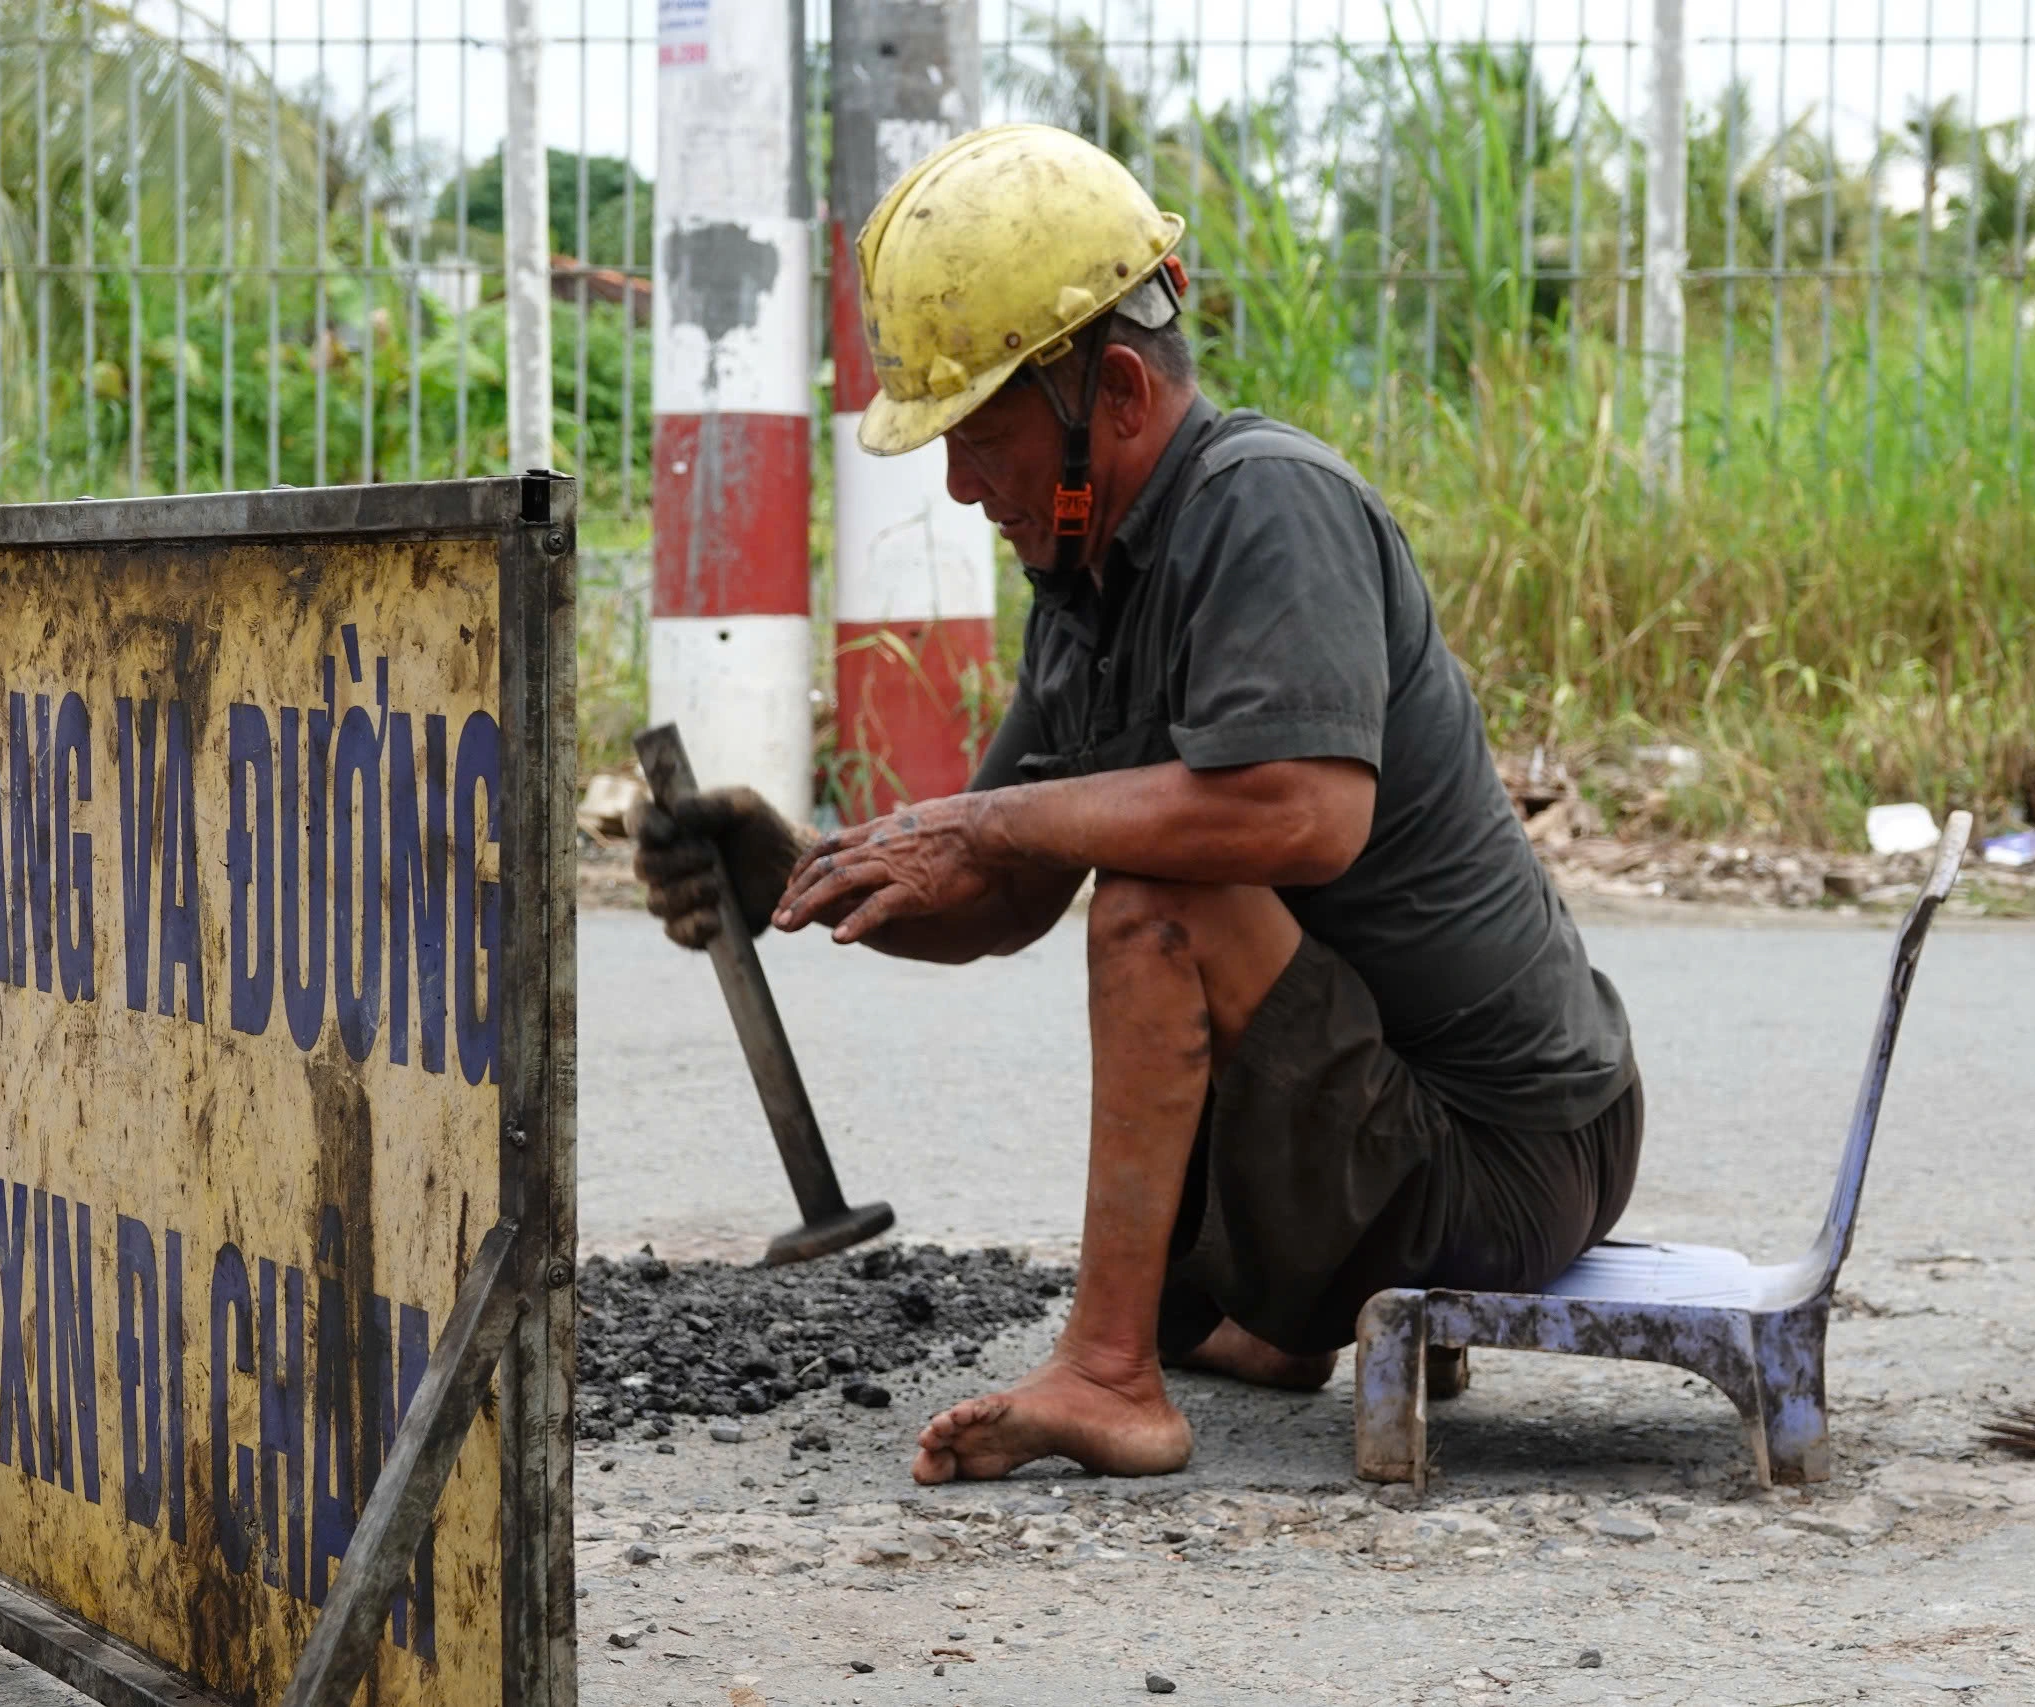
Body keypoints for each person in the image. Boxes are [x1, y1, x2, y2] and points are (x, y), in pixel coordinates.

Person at [633, 123, 1639, 1485]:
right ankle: (1272, 1320)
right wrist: (797, 872)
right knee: (1128, 863)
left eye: (978, 433)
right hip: (1391, 1126)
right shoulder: (1089, 580)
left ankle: (1112, 1376)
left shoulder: (1264, 503)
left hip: (1514, 1157)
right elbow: (995, 895)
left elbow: (1304, 815)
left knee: (1161, 896)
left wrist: (988, 824)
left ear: (1109, 389)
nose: (958, 481)